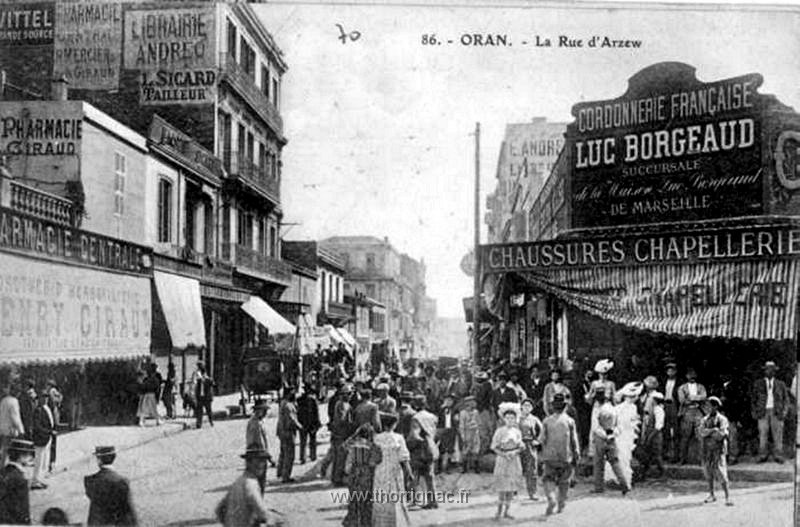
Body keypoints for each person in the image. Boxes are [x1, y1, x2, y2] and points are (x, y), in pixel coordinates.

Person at [216, 446, 278, 527]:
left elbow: (219, 510)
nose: (261, 465)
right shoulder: (251, 484)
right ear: (248, 463)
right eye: (258, 461)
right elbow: (261, 511)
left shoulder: (239, 481)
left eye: (263, 461)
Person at [540, 393, 581, 515]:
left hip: (550, 456)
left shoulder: (546, 421)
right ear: (565, 407)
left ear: (553, 407)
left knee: (548, 479)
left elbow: (542, 439)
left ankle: (551, 498)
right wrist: (576, 454)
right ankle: (561, 503)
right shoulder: (570, 421)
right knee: (565, 481)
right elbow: (574, 440)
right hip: (565, 456)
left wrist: (542, 454)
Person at [372, 412, 412, 527]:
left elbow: (373, 456)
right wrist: (409, 471)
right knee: (395, 495)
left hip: (380, 469)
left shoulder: (376, 438)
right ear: (392, 425)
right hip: (394, 468)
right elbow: (404, 457)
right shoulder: (398, 438)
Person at [85, 446, 137, 526]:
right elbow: (128, 511)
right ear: (114, 457)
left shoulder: (90, 481)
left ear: (99, 460)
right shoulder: (122, 481)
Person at [591, 388, 630, 495]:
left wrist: (604, 435)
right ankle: (624, 483)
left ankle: (598, 487)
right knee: (615, 462)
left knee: (598, 463)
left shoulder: (597, 410)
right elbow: (619, 425)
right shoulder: (613, 409)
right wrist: (613, 434)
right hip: (612, 437)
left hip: (601, 438)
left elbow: (595, 427)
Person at [343, 424, 382, 527]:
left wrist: (354, 435)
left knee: (353, 499)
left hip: (354, 473)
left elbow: (344, 445)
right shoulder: (373, 446)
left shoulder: (353, 444)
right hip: (366, 473)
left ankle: (352, 522)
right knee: (366, 501)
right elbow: (375, 461)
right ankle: (365, 523)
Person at [491, 404, 524, 521]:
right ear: (504, 419)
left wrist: (515, 452)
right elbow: (494, 447)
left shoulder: (517, 432)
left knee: (511, 487)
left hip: (514, 460)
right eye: (508, 418)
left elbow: (521, 446)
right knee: (502, 487)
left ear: (515, 419)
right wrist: (503, 454)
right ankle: (498, 512)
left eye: (512, 418)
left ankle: (507, 511)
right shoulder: (499, 431)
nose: (510, 420)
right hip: (502, 459)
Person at [751, 361, 789, 463]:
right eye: (768, 369)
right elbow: (753, 399)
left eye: (772, 369)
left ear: (775, 371)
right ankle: (762, 455)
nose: (770, 371)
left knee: (777, 435)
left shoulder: (781, 384)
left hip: (777, 412)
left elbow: (786, 400)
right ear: (764, 371)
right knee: (763, 435)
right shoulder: (758, 384)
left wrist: (784, 412)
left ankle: (778, 455)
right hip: (762, 412)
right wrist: (755, 412)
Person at [700, 397, 733, 506]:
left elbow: (721, 435)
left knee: (721, 473)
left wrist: (712, 433)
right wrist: (713, 430)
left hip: (718, 450)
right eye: (706, 406)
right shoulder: (704, 419)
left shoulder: (722, 419)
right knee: (708, 472)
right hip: (707, 449)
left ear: (715, 407)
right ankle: (711, 494)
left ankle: (728, 497)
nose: (707, 408)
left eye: (709, 406)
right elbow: (701, 432)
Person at [610, 382, 641, 487]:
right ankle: (621, 479)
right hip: (620, 434)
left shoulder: (633, 408)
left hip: (629, 434)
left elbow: (633, 421)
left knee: (626, 456)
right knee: (621, 456)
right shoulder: (618, 408)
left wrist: (635, 426)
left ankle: (624, 478)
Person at [0, 439, 35, 525]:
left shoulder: (3, 472)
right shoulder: (20, 479)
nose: (31, 458)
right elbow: (22, 508)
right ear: (21, 456)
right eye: (29, 455)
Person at [586, 359, 616, 459]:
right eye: (601, 374)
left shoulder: (611, 384)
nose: (603, 376)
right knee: (595, 428)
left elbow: (614, 397)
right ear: (598, 374)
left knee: (607, 428)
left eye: (605, 374)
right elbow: (589, 400)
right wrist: (593, 395)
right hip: (597, 407)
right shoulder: (594, 384)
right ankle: (593, 451)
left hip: (607, 406)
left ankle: (607, 451)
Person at [678, 367, 707, 464]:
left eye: (693, 375)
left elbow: (704, 396)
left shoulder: (700, 386)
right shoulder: (682, 387)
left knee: (700, 436)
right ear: (686, 376)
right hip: (687, 412)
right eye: (689, 375)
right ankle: (682, 458)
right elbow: (682, 400)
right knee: (685, 436)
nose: (692, 377)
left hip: (698, 411)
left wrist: (692, 397)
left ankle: (701, 459)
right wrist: (696, 399)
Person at [636, 392, 665, 481]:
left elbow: (658, 426)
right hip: (650, 433)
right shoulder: (652, 409)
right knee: (647, 454)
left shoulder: (659, 410)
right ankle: (644, 474)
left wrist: (650, 437)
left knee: (657, 454)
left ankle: (662, 472)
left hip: (656, 435)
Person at [407, 420, 436, 509]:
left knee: (415, 480)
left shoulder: (415, 437)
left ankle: (417, 501)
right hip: (427, 460)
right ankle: (432, 502)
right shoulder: (427, 435)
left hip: (419, 460)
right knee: (429, 481)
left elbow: (410, 444)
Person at [518, 398, 543, 501]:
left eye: (529, 406)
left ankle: (532, 492)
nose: (527, 407)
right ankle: (513, 492)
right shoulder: (516, 418)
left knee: (532, 469)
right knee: (515, 468)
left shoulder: (534, 419)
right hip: (518, 444)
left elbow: (542, 431)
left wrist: (537, 441)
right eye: (525, 405)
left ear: (532, 408)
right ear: (521, 407)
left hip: (529, 445)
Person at [276, 389, 303, 483]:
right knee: (289, 455)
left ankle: (280, 472)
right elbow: (292, 420)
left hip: (281, 431)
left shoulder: (283, 403)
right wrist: (300, 427)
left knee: (283, 453)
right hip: (288, 432)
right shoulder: (289, 405)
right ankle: (286, 476)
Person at [330, 385, 354, 486]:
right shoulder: (343, 405)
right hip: (341, 434)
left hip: (337, 434)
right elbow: (342, 420)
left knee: (337, 457)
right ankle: (337, 479)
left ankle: (335, 477)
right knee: (340, 458)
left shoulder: (340, 403)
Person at [31, 390, 55, 490]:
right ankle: (35, 481)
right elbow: (37, 426)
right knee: (39, 461)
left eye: (46, 397)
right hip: (41, 438)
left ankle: (40, 480)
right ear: (39, 398)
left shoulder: (47, 408)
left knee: (44, 460)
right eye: (43, 397)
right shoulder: (38, 410)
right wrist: (49, 432)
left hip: (46, 438)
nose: (45, 399)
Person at [0, 383, 25, 466]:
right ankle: (3, 468)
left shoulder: (4, 400)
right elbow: (15, 417)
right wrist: (21, 430)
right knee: (6, 450)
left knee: (3, 449)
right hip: (9, 430)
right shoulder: (14, 401)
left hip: (2, 428)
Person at [662, 362, 680, 462]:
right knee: (665, 430)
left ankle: (675, 455)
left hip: (674, 405)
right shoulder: (664, 381)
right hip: (665, 404)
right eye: (668, 370)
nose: (670, 372)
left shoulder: (679, 382)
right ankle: (665, 453)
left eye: (672, 370)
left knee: (675, 431)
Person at [297, 387, 320, 464]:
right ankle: (312, 456)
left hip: (304, 423)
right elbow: (316, 413)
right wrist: (317, 423)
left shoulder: (299, 400)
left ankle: (303, 458)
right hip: (310, 423)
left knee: (304, 441)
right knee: (311, 441)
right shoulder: (312, 400)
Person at [435, 394, 458, 474]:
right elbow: (437, 419)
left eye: (450, 401)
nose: (449, 402)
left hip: (451, 430)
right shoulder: (440, 410)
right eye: (447, 400)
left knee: (450, 449)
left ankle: (448, 467)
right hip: (442, 430)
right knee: (441, 448)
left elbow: (456, 420)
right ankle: (439, 468)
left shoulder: (455, 410)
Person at [458, 395, 481, 473]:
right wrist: (463, 435)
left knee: (475, 450)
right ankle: (464, 467)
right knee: (465, 450)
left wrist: (477, 429)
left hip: (475, 433)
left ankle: (476, 467)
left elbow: (479, 422)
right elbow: (461, 425)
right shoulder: (463, 413)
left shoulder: (476, 412)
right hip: (467, 432)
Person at [45, 380, 63, 473]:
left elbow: (51, 404)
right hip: (56, 417)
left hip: (51, 417)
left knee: (51, 441)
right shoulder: (57, 392)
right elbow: (59, 400)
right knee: (54, 441)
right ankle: (52, 462)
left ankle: (50, 463)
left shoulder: (51, 392)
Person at [192, 362, 215, 429]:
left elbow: (212, 383)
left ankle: (211, 421)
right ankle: (199, 424)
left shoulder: (207, 378)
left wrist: (206, 378)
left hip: (207, 397)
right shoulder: (198, 379)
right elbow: (195, 383)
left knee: (209, 410)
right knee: (199, 411)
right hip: (200, 397)